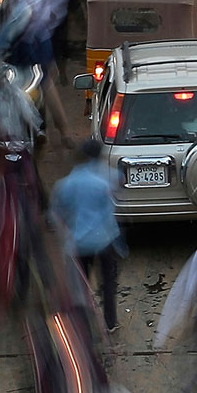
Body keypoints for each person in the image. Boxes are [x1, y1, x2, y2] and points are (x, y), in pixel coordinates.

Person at [52, 139, 125, 332]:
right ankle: (110, 323)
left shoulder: (64, 185)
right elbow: (110, 213)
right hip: (103, 242)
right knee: (108, 282)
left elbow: (56, 215)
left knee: (80, 286)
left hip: (78, 244)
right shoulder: (101, 182)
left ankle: (83, 326)